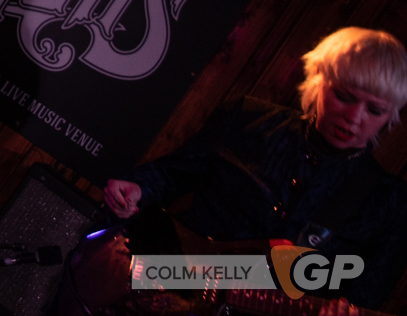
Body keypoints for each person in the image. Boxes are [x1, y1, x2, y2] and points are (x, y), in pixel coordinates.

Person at [68, 27, 407, 313]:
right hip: (171, 288)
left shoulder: (388, 201)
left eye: (375, 109)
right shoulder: (248, 119)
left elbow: (367, 297)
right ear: (318, 81)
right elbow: (172, 173)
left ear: (391, 115)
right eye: (345, 97)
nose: (355, 117)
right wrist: (138, 188)